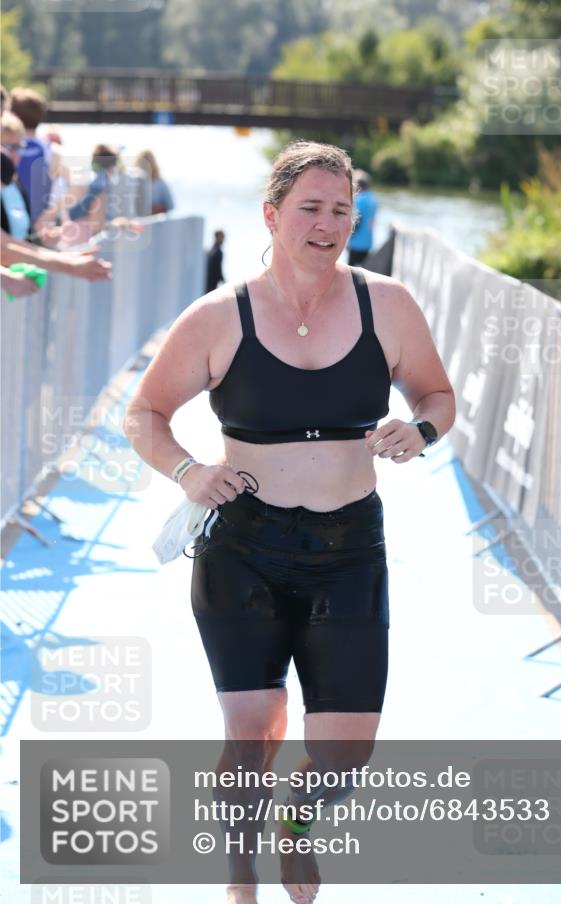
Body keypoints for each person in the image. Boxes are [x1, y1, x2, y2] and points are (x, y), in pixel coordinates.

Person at [123, 141, 455, 904]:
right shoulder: (218, 316)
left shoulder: (388, 304)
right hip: (243, 549)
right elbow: (144, 414)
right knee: (252, 735)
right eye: (310, 207)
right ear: (271, 216)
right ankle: (241, 874)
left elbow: (437, 396)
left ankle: (295, 828)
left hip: (349, 552)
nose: (327, 223)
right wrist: (189, 471)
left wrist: (421, 431)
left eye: (341, 209)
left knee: (344, 756)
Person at [9, 87, 52, 224]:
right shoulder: (49, 149)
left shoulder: (6, 147)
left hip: (12, 221)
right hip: (39, 222)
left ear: (13, 115)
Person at [1, 114, 32, 239]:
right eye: (8, 146)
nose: (14, 153)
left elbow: (25, 237)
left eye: (18, 147)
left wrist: (42, 238)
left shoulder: (17, 185)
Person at [347, 168, 378, 266]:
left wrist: (350, 240)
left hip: (357, 243)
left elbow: (357, 221)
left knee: (351, 271)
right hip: (368, 241)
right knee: (363, 269)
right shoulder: (373, 199)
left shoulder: (360, 200)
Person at [133, 148, 174, 214]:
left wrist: (156, 209)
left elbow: (170, 206)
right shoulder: (133, 183)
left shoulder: (160, 184)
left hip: (156, 221)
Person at [205, 228, 226, 293]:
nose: (223, 239)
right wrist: (225, 282)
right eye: (222, 237)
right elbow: (218, 270)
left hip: (206, 284)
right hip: (212, 286)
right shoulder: (218, 252)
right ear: (217, 237)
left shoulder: (209, 251)